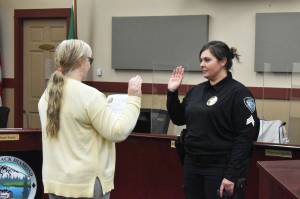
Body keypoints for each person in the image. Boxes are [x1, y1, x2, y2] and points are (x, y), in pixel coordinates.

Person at [38, 39, 142, 199]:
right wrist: (134, 99)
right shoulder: (90, 95)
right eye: (90, 60)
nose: (90, 64)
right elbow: (118, 132)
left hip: (56, 183)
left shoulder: (46, 95)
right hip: (86, 185)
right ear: (81, 61)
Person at [167, 40, 259, 199]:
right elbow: (178, 118)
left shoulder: (239, 93)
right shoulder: (196, 91)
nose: (202, 64)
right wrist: (172, 92)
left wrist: (232, 175)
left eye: (207, 60)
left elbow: (245, 137)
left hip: (220, 168)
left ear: (223, 61)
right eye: (201, 60)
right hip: (192, 165)